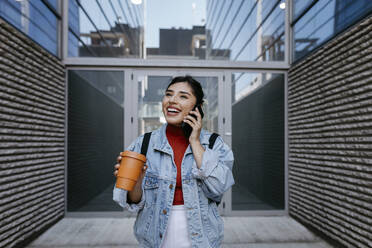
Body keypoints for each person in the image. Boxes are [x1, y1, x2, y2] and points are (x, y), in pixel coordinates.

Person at [113, 76, 234, 248]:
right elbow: (133, 202)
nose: (172, 100)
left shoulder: (214, 144)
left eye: (183, 96)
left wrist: (195, 141)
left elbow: (218, 189)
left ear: (197, 107)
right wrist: (137, 183)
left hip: (202, 238)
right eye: (169, 94)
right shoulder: (143, 144)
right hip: (155, 237)